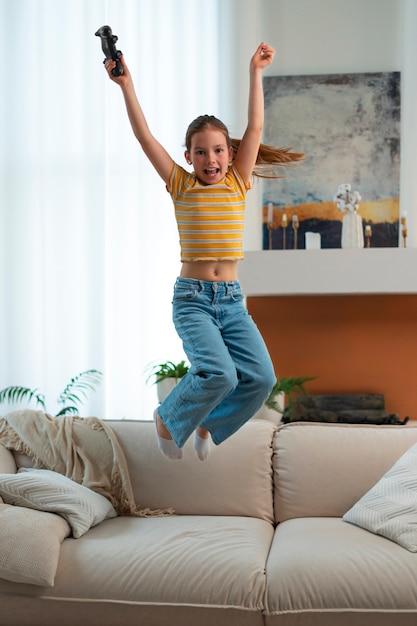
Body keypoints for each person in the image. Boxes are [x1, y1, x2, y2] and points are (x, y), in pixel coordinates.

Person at [104, 42, 303, 461]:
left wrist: (256, 72)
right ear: (188, 157)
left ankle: (211, 424)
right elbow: (144, 137)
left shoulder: (237, 182)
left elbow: (255, 128)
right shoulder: (181, 185)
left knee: (262, 379)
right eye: (200, 151)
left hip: (231, 302)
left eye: (217, 151)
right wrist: (126, 85)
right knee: (219, 373)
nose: (210, 159)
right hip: (193, 300)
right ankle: (167, 418)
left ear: (230, 156)